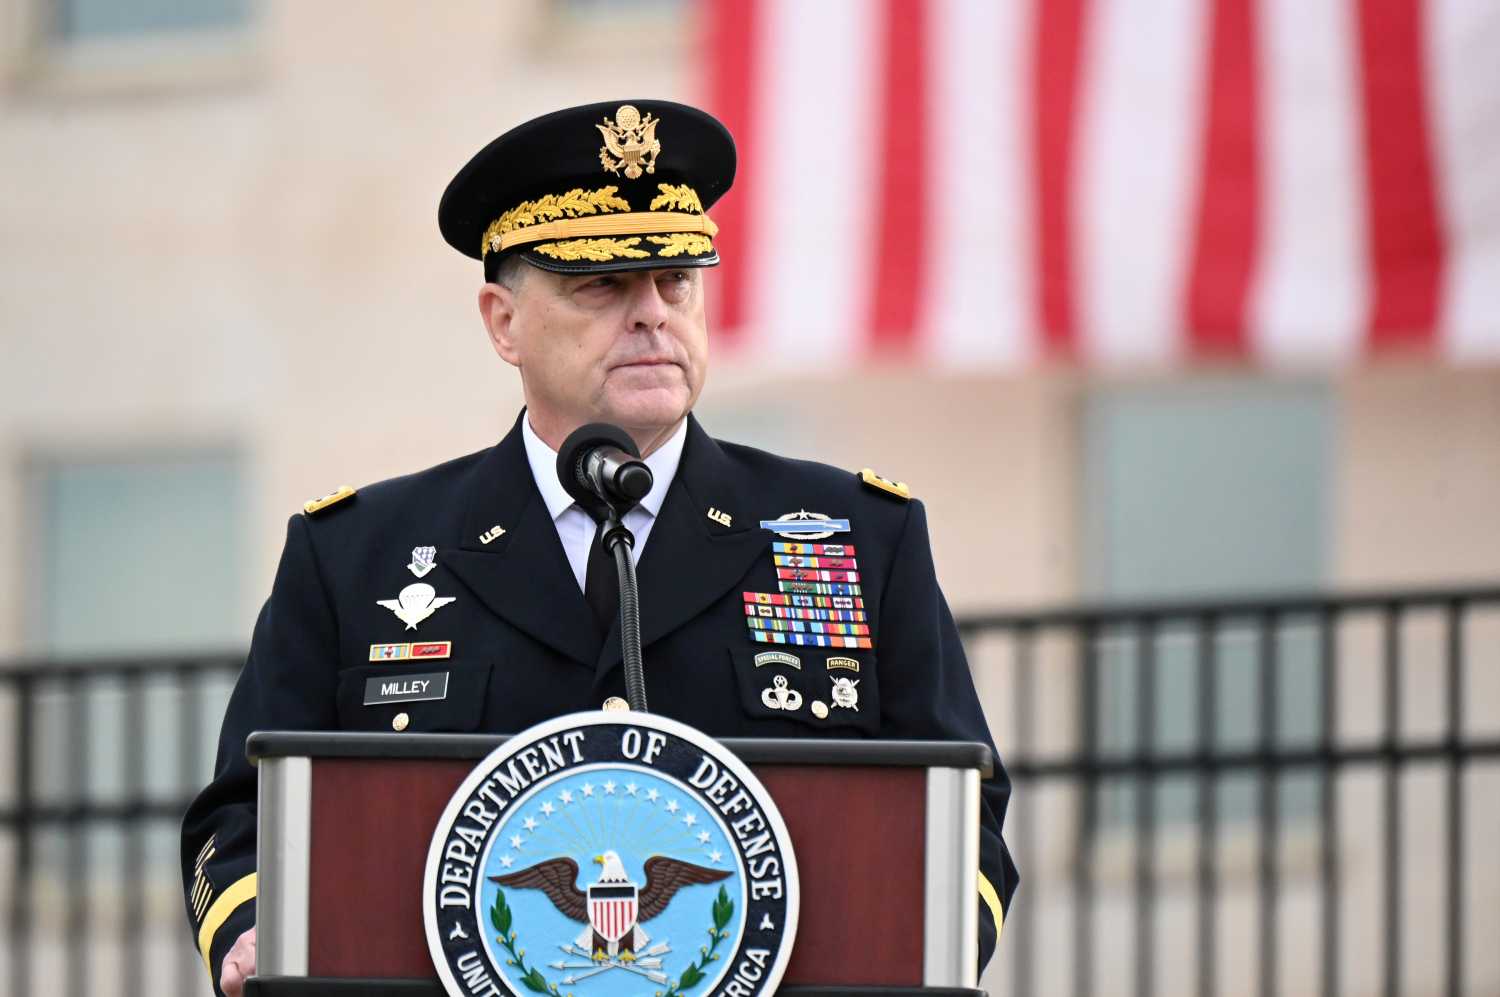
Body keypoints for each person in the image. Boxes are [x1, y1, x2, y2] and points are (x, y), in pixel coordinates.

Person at [180, 99, 1018, 997]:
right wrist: (253, 926)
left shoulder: (856, 535)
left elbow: (964, 817)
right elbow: (242, 817)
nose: (652, 315)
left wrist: (919, 943)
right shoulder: (357, 556)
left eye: (676, 281)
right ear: (503, 322)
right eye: (601, 286)